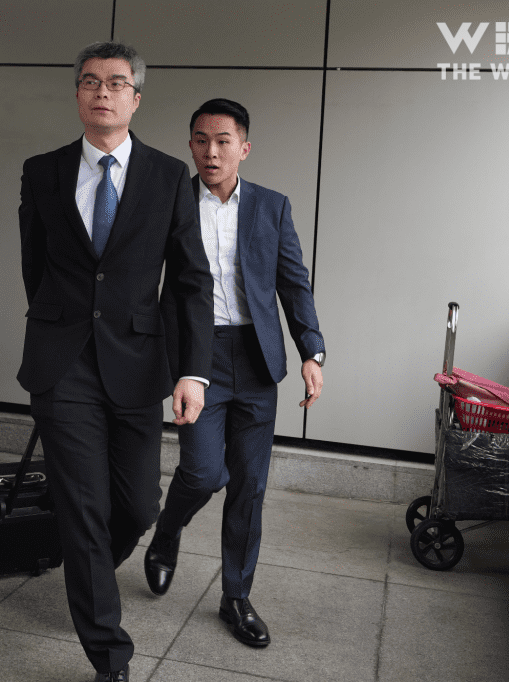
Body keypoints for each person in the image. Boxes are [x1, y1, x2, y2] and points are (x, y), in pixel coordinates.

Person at [17, 42, 213, 682]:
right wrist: (57, 325)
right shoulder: (42, 171)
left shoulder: (167, 177)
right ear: (78, 94)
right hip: (63, 364)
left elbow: (190, 280)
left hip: (137, 361)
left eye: (116, 83)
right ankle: (110, 656)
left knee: (136, 507)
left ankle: (89, 564)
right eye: (90, 81)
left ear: (136, 98)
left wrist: (192, 371)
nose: (102, 91)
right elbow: (35, 266)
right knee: (83, 507)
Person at [147, 99, 326, 648]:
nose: (211, 152)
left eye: (223, 141)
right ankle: (168, 531)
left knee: (249, 485)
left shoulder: (272, 206)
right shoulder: (172, 203)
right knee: (203, 472)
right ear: (191, 146)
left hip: (256, 358)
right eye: (201, 140)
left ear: (243, 148)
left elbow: (293, 282)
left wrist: (312, 352)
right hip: (197, 358)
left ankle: (236, 596)